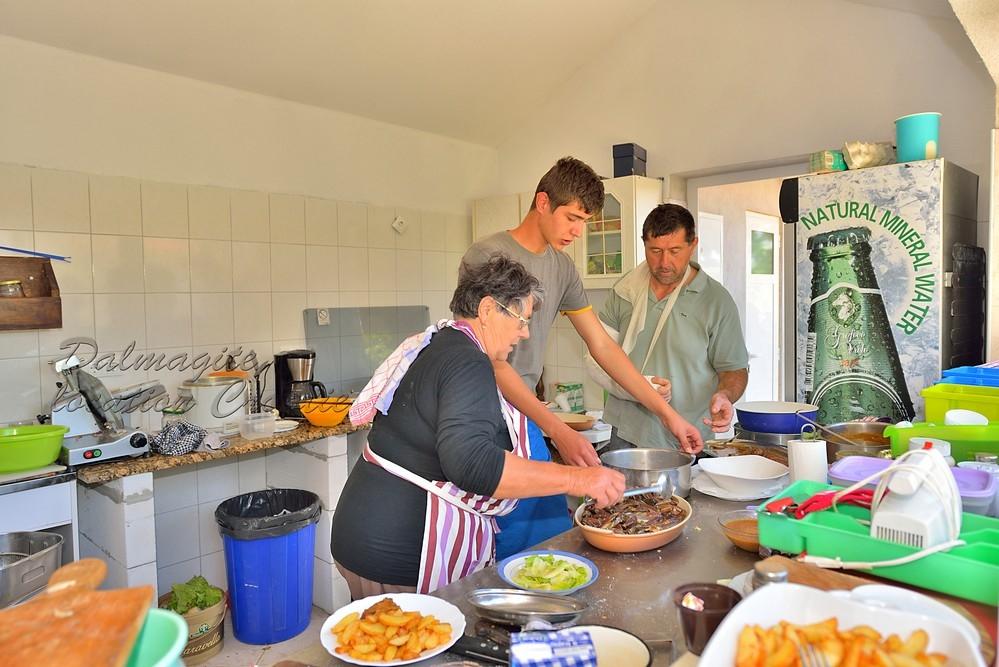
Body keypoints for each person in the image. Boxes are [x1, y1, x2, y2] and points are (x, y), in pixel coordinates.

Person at [331, 255, 625, 598]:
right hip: (401, 551)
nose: (525, 333)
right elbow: (473, 463)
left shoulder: (441, 343)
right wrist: (580, 480)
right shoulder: (467, 361)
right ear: (487, 310)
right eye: (521, 320)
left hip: (365, 534)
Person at [461, 157, 703, 560]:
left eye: (584, 222)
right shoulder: (486, 255)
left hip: (526, 417)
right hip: (483, 416)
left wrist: (668, 415)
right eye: (572, 218)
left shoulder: (562, 267)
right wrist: (558, 430)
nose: (577, 231)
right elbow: (489, 361)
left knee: (554, 536)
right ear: (543, 202)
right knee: (504, 542)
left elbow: (603, 346)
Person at [587, 203, 749, 451]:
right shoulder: (626, 290)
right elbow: (596, 356)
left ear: (693, 245)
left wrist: (724, 395)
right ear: (644, 245)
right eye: (655, 251)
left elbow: (734, 369)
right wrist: (641, 390)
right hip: (626, 430)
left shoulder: (715, 301)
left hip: (686, 438)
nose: (664, 262)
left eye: (674, 251)